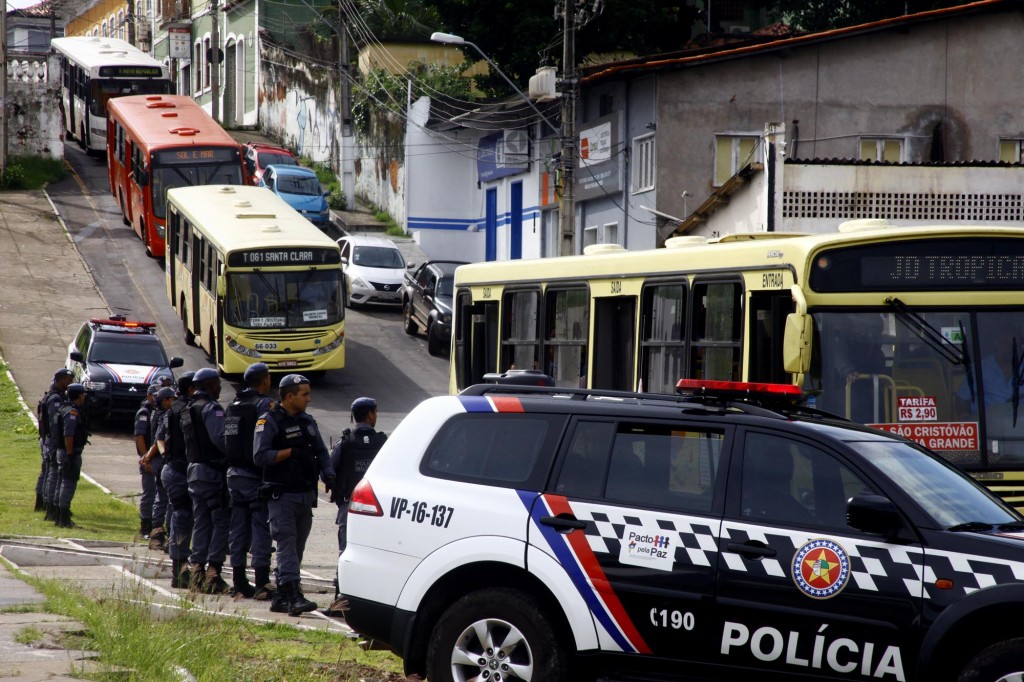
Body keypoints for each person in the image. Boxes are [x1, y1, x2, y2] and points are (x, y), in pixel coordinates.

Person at [253, 374, 335, 616]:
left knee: (297, 547)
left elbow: (321, 451)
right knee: (287, 543)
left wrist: (328, 474)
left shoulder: (307, 421)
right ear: (290, 397)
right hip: (281, 495)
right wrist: (290, 452)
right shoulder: (268, 421)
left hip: (304, 495)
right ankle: (294, 594)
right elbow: (260, 456)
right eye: (305, 394)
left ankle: (281, 596)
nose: (309, 398)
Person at [327, 396, 387, 614]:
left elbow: (330, 471)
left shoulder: (344, 443)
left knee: (346, 553)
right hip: (377, 509)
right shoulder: (383, 442)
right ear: (370, 414)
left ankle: (339, 601)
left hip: (348, 507)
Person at [224, 362, 275, 599]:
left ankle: (238, 581)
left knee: (238, 528)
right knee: (261, 528)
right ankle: (263, 582)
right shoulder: (264, 403)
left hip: (234, 475)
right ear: (264, 380)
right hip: (255, 475)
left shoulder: (232, 406)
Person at [182, 367, 230, 594]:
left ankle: (197, 570)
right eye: (218, 384)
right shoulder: (211, 408)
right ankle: (213, 573)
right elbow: (221, 439)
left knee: (201, 521)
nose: (220, 388)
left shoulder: (187, 408)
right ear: (210, 385)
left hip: (193, 471)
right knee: (220, 522)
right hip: (211, 472)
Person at [158, 371, 196, 588]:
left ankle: (180, 571)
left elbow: (162, 438)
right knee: (184, 518)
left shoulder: (171, 411)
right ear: (191, 389)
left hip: (172, 468)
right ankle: (181, 573)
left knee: (178, 517)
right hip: (182, 470)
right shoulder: (188, 410)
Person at [141, 386, 176, 552]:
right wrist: (148, 456)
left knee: (161, 499)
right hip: (162, 460)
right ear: (166, 401)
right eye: (172, 399)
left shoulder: (156, 412)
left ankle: (157, 535)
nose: (174, 402)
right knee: (166, 501)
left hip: (156, 460)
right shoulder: (164, 415)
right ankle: (162, 536)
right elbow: (158, 440)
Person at [37, 368, 73, 516]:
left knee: (47, 471)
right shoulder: (55, 399)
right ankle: (48, 504)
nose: (70, 383)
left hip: (48, 439)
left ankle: (44, 502)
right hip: (51, 440)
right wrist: (59, 442)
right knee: (52, 473)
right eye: (68, 380)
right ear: (60, 380)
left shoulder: (55, 396)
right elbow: (54, 422)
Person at [53, 383, 89, 529]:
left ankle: (58, 515)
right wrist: (71, 454)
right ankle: (63, 518)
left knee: (61, 483)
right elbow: (69, 435)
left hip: (63, 452)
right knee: (68, 485)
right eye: (84, 394)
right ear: (79, 395)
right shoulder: (72, 412)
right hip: (69, 453)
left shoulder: (63, 408)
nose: (85, 397)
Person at [133, 384, 161, 540]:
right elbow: (139, 436)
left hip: (157, 458)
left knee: (159, 495)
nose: (157, 398)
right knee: (149, 494)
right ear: (149, 396)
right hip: (149, 459)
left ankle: (155, 527)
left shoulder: (158, 411)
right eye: (154, 396)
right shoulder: (144, 412)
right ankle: (145, 527)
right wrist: (145, 458)